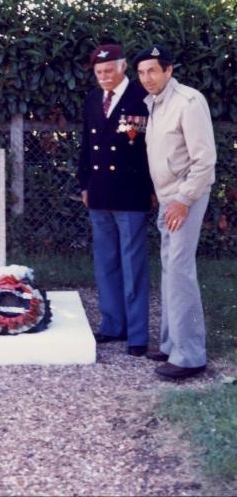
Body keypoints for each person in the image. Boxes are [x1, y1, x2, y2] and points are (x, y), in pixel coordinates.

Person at [134, 44, 216, 380]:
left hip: (186, 196)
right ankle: (171, 345)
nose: (146, 78)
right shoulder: (155, 104)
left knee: (180, 269)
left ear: (169, 70)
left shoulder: (188, 101)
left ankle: (191, 355)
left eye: (153, 70)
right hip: (169, 197)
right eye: (140, 72)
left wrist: (182, 200)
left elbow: (204, 160)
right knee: (170, 268)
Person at [77, 43, 154, 356]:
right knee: (105, 262)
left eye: (109, 70)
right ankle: (112, 325)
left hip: (131, 192)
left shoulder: (142, 98)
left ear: (123, 68)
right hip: (99, 192)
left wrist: (152, 190)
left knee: (133, 265)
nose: (104, 76)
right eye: (98, 72)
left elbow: (148, 150)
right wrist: (84, 184)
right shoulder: (93, 100)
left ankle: (137, 335)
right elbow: (86, 145)